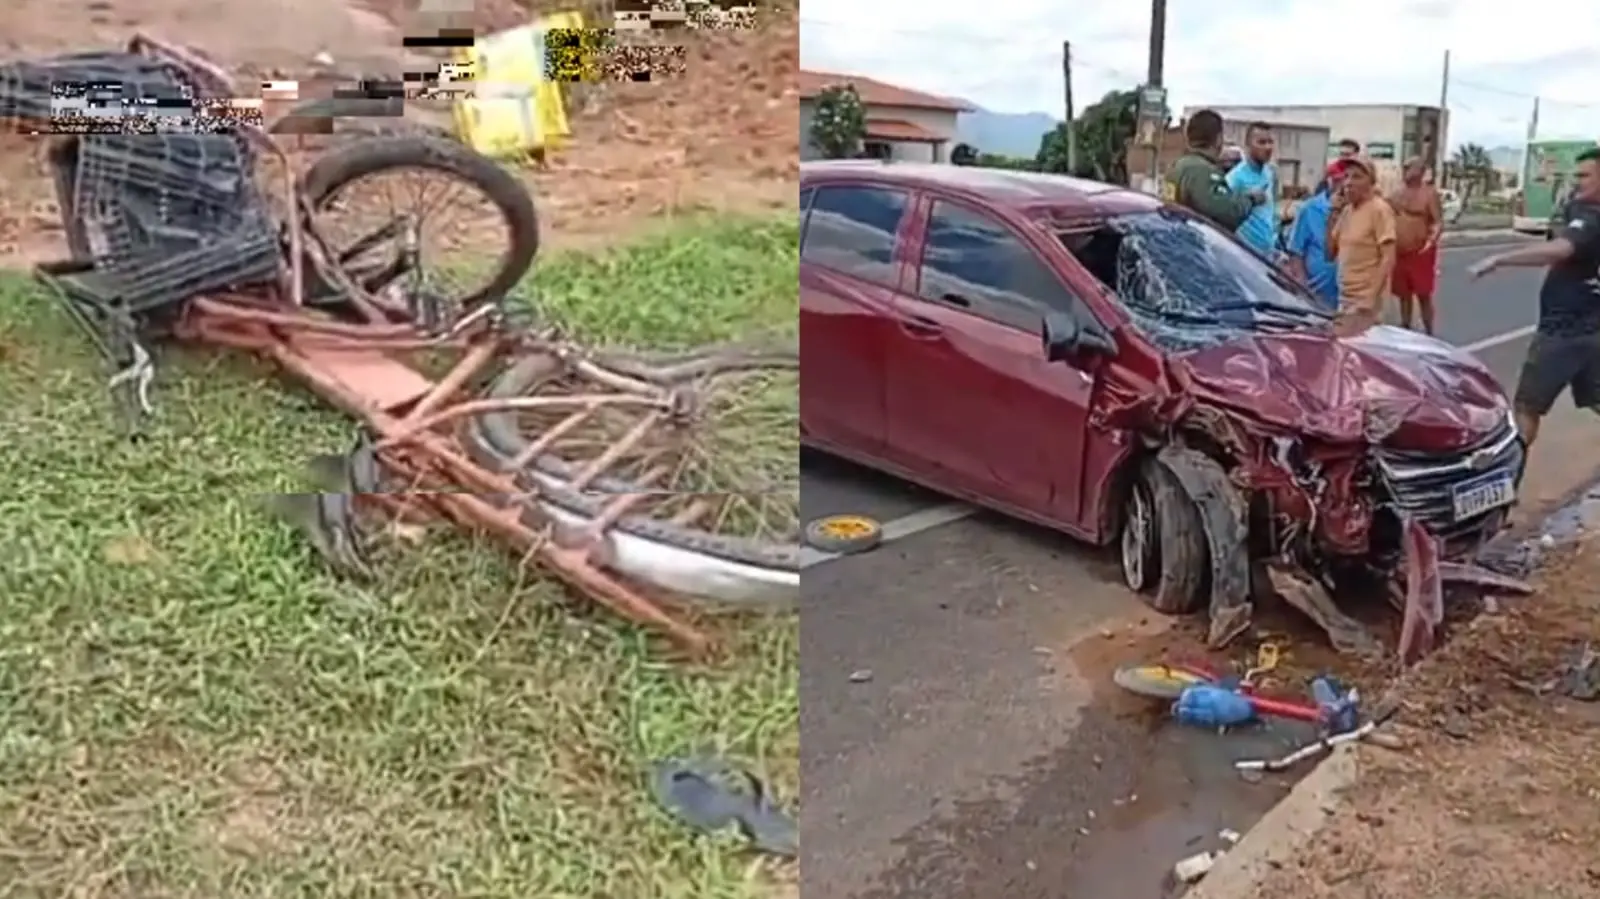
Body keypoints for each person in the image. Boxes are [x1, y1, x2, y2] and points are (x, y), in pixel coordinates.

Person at [1469, 146, 1600, 449]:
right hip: (1592, 326)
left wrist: (1500, 259)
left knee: (1527, 407)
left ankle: (1508, 479)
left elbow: (1560, 249)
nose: (1576, 181)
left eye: (1584, 176)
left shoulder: (1591, 219)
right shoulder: (1581, 210)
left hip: (1564, 329)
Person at [1325, 156, 1396, 334]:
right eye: (1346, 176)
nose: (1348, 183)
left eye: (1357, 177)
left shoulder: (1379, 209)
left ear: (1371, 182)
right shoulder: (1347, 211)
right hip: (1344, 298)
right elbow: (1329, 253)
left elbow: (1388, 257)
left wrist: (1370, 299)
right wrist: (1332, 213)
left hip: (1365, 301)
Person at [1164, 109, 1263, 230]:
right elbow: (1228, 213)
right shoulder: (1203, 172)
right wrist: (1250, 199)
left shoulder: (1178, 165)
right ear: (1218, 139)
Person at [1388, 157, 1444, 333]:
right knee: (1403, 294)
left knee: (1423, 294)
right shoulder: (1396, 193)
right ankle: (1405, 326)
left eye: (1409, 167)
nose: (1405, 171)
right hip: (1400, 252)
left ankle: (1429, 331)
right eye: (1404, 167)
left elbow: (1438, 222)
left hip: (1421, 252)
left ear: (1420, 171)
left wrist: (1431, 241)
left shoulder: (1429, 194)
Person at [1285, 160, 1348, 308]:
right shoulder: (1310, 209)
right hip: (1317, 295)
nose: (1343, 186)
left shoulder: (1357, 209)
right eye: (1337, 180)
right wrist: (1303, 288)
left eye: (1346, 180)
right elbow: (1296, 252)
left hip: (1349, 296)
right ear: (1329, 181)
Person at [1226, 122, 1279, 256]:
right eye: (1261, 142)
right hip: (1244, 255)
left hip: (1267, 254)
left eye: (1270, 142)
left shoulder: (1270, 173)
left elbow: (1272, 212)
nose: (1268, 147)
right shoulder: (1235, 178)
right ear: (1248, 145)